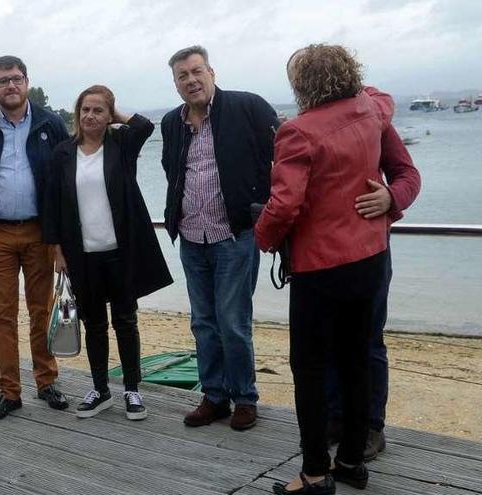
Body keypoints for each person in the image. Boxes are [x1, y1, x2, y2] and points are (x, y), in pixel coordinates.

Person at [255, 44, 394, 494]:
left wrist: (263, 238)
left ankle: (315, 472)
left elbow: (284, 205)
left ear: (302, 85)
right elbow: (382, 99)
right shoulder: (372, 109)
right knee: (357, 361)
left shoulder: (298, 131)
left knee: (310, 369)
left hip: (321, 269)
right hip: (370, 258)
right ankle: (352, 461)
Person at [160, 45, 279, 430]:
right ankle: (214, 396)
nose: (191, 80)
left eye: (197, 71)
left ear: (212, 72)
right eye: (182, 75)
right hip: (193, 237)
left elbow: (285, 155)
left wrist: (267, 208)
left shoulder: (249, 107)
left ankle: (244, 397)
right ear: (175, 83)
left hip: (235, 235)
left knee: (232, 321)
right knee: (203, 322)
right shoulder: (171, 123)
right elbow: (172, 170)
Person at [43, 85, 172, 420]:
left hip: (121, 251)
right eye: (86, 109)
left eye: (99, 111)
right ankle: (100, 389)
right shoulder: (62, 153)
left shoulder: (122, 146)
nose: (90, 116)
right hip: (81, 253)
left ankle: (131, 389)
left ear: (109, 116)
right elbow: (53, 205)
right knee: (94, 323)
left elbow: (144, 125)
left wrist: (116, 114)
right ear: (77, 113)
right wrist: (57, 251)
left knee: (126, 321)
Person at [0, 55, 71, 421]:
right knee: (2, 316)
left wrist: (59, 239)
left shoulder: (49, 123)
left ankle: (46, 381)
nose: (11, 85)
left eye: (17, 78)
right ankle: (9, 391)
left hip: (40, 231)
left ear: (27, 82)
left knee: (40, 310)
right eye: (3, 80)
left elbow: (62, 178)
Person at [325, 124, 421, 460]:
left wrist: (392, 196)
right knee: (329, 338)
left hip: (370, 248)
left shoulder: (373, 117)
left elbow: (407, 173)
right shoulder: (308, 119)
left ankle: (370, 426)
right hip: (322, 250)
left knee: (367, 339)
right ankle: (337, 418)